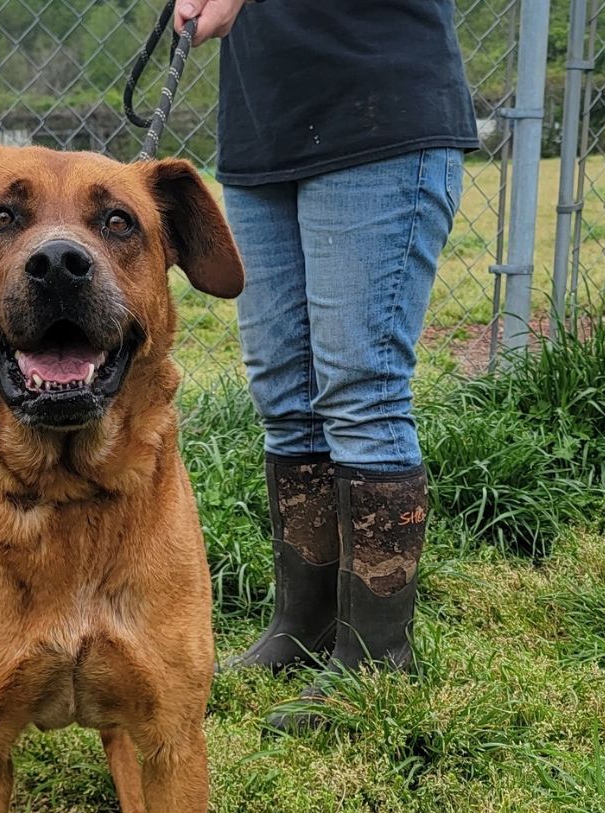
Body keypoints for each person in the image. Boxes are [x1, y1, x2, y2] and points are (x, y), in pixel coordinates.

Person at [175, 0, 479, 725]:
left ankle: (378, 660)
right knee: (284, 395)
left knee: (360, 394)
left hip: (380, 117)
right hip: (265, 130)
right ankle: (303, 628)